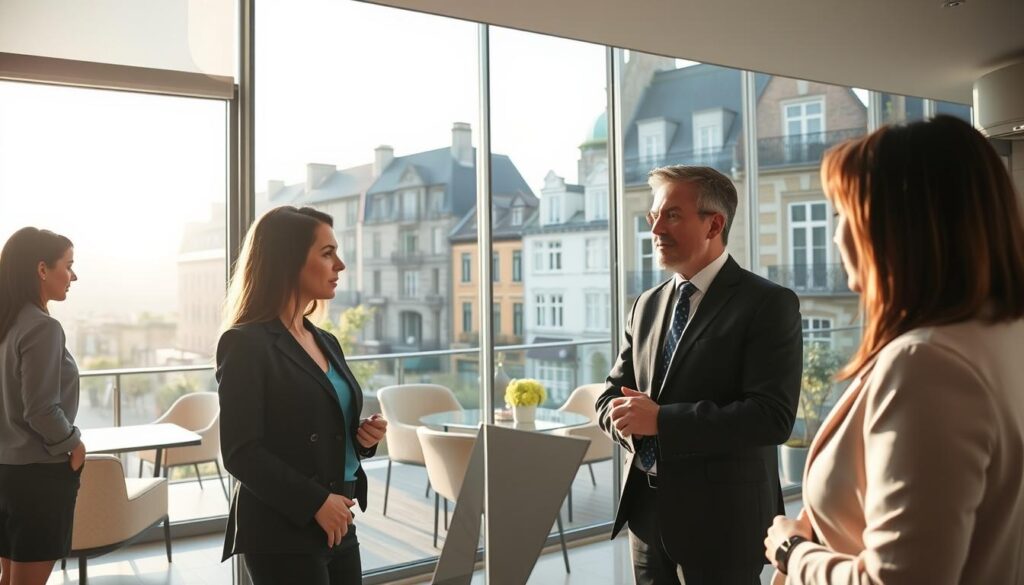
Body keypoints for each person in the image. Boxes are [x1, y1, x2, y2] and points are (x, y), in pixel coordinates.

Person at [764, 116, 1024, 584]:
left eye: (844, 213)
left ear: (896, 228)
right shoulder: (1001, 336)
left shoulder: (927, 365)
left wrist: (791, 551)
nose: (836, 234)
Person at [597, 165, 803, 585]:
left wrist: (661, 421)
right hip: (647, 518)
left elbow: (771, 417)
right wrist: (624, 422)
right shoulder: (646, 305)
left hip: (722, 523)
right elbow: (609, 397)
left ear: (715, 224)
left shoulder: (769, 304)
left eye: (672, 215)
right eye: (654, 215)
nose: (655, 227)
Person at [217, 206, 387, 585]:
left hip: (339, 520)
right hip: (283, 528)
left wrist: (362, 437)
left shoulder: (325, 341)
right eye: (327, 253)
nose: (340, 265)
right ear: (287, 261)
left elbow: (315, 425)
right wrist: (315, 503)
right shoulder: (245, 344)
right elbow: (240, 451)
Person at [0, 227, 82, 585]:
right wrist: (73, 443)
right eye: (68, 265)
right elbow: (42, 410)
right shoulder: (42, 328)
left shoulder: (6, 325)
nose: (74, 276)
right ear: (42, 269)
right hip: (37, 478)